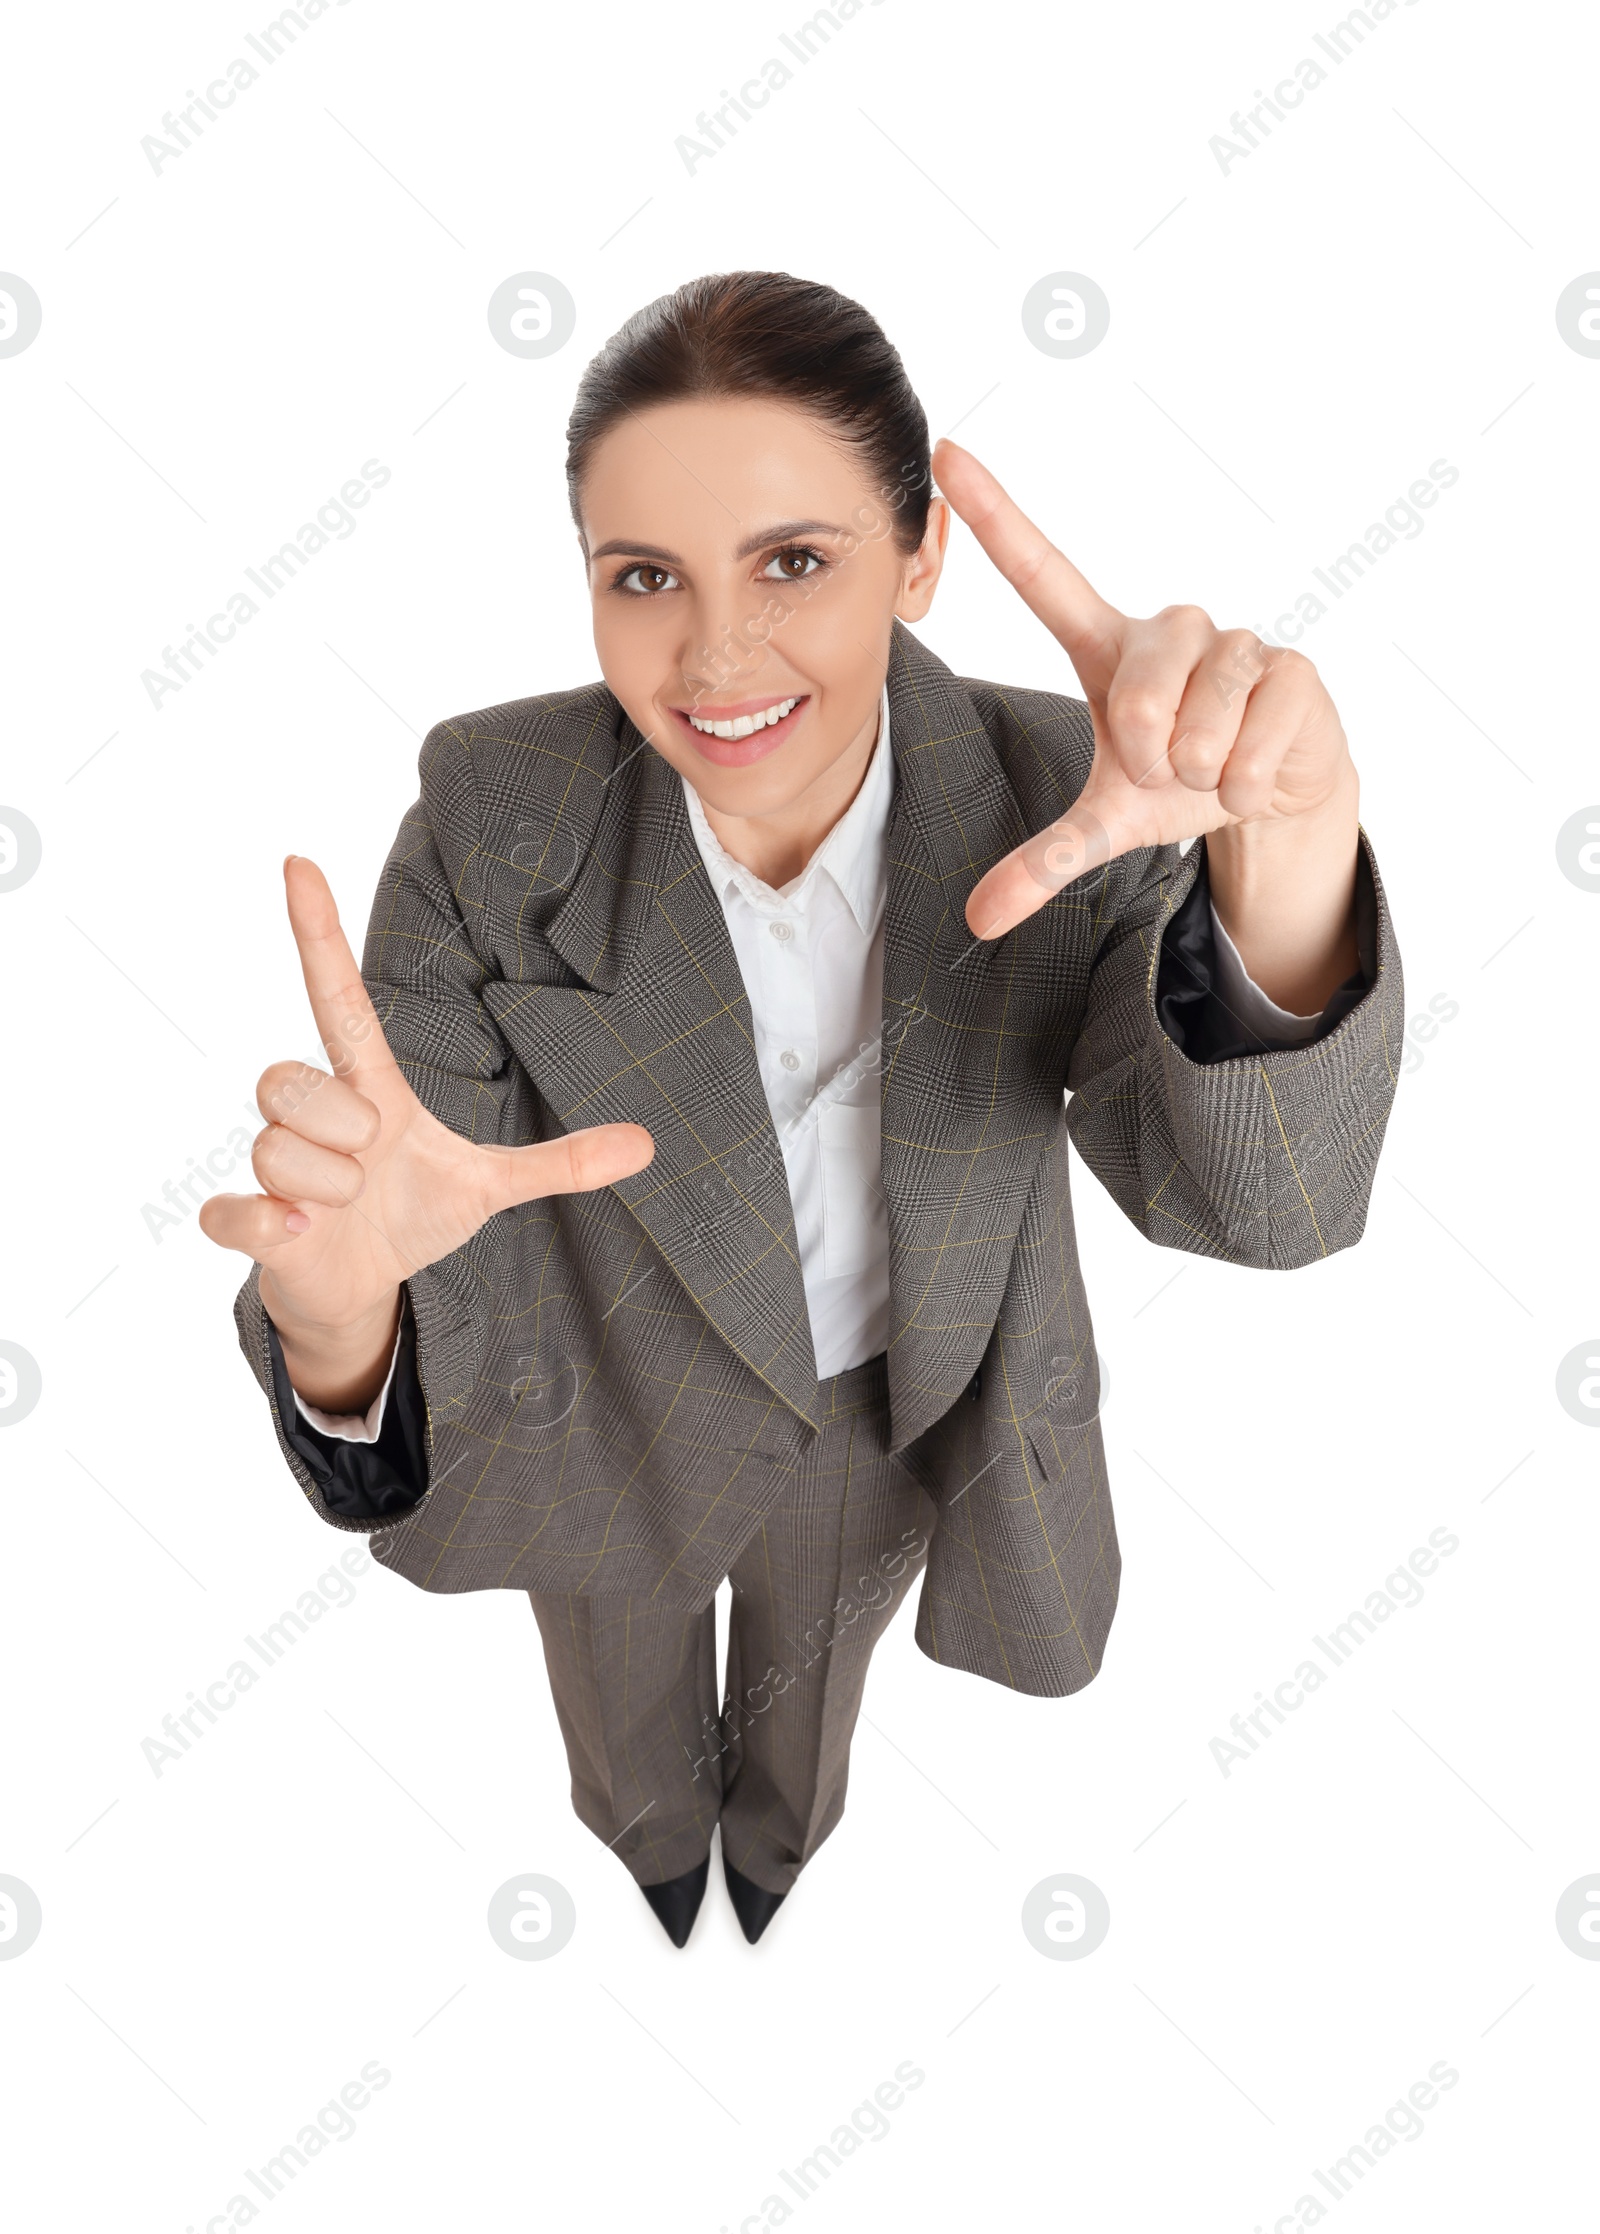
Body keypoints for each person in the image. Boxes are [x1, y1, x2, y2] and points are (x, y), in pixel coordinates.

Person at [202, 271, 1401, 1948]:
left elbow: (1264, 1204)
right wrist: (346, 1328)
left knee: (806, 1705)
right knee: (623, 1716)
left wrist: (1294, 848)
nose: (713, 653)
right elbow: (407, 1212)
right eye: (644, 578)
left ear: (920, 559)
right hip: (598, 1388)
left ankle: (772, 1852)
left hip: (887, 1405)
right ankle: (649, 1851)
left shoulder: (1083, 793)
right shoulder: (494, 810)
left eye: (795, 561)